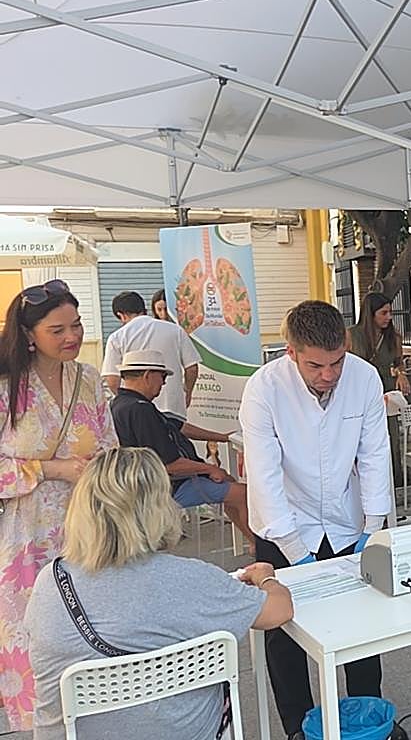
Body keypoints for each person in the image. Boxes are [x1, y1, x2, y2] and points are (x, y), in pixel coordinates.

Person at [25, 446, 293, 740]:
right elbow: (279, 611)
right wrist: (266, 578)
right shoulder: (191, 579)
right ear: (158, 507)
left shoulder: (49, 583)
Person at [240, 300, 392, 740]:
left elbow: (375, 453)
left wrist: (374, 525)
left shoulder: (363, 377)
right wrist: (294, 551)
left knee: (362, 627)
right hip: (285, 522)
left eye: (336, 362)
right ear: (291, 353)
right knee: (284, 635)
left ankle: (366, 720)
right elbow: (264, 475)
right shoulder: (264, 389)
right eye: (315, 366)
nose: (328, 375)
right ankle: (298, 728)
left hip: (347, 522)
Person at [0, 279, 116, 732]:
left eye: (77, 325)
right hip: (26, 538)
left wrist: (103, 469)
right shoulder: (7, 386)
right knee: (36, 635)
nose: (72, 337)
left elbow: (109, 442)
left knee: (94, 628)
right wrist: (51, 469)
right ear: (29, 334)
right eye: (57, 329)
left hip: (91, 528)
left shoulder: (88, 378)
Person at [109, 349, 253, 540]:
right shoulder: (140, 410)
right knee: (242, 494)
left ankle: (252, 543)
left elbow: (178, 426)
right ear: (148, 375)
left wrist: (222, 437)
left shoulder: (122, 403)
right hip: (166, 487)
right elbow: (170, 464)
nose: (164, 383)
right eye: (162, 377)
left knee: (229, 487)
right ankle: (260, 547)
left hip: (152, 484)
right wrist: (210, 468)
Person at [100, 291, 228, 445]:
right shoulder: (175, 330)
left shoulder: (117, 337)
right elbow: (192, 368)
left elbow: (112, 379)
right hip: (172, 404)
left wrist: (127, 400)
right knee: (176, 448)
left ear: (121, 315)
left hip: (137, 414)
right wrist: (187, 392)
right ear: (145, 308)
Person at [347, 293, 411, 483]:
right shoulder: (352, 335)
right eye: (383, 313)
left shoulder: (394, 337)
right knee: (361, 436)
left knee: (388, 434)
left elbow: (399, 362)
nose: (388, 317)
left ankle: (392, 479)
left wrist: (401, 374)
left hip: (385, 390)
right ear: (370, 314)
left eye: (390, 312)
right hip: (358, 391)